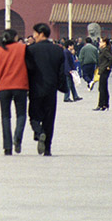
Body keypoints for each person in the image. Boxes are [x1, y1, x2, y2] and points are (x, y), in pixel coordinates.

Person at [25, 23, 67, 156]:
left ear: (41, 33)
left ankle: (39, 132)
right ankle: (48, 148)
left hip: (35, 87)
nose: (34, 36)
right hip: (51, 88)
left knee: (33, 115)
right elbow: (62, 72)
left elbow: (28, 70)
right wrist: (62, 86)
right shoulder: (58, 50)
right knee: (49, 118)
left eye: (35, 33)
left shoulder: (31, 50)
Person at [0, 29, 28, 155]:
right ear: (15, 37)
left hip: (4, 88)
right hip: (21, 86)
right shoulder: (23, 49)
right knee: (21, 114)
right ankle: (18, 137)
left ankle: (7, 146)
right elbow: (31, 67)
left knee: (5, 117)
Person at [94, 38, 112, 111]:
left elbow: (111, 58)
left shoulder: (105, 50)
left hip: (104, 70)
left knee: (102, 88)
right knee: (103, 87)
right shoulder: (103, 50)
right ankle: (105, 104)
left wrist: (108, 66)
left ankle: (102, 104)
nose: (99, 43)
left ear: (105, 43)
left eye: (101, 42)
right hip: (102, 69)